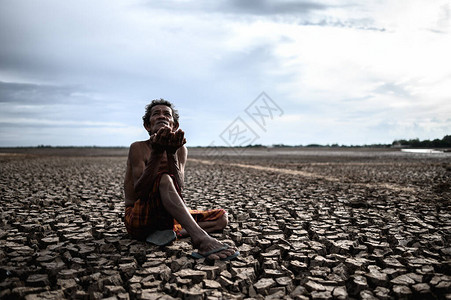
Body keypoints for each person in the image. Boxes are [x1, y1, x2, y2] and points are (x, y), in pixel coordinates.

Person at [124, 99, 239, 260]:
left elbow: (179, 187)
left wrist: (171, 154)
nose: (161, 116)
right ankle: (201, 238)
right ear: (147, 126)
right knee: (164, 178)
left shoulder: (180, 149)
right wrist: (156, 154)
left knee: (221, 218)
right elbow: (140, 191)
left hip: (165, 216)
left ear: (174, 125)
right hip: (139, 217)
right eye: (156, 114)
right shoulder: (138, 147)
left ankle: (174, 232)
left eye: (167, 114)